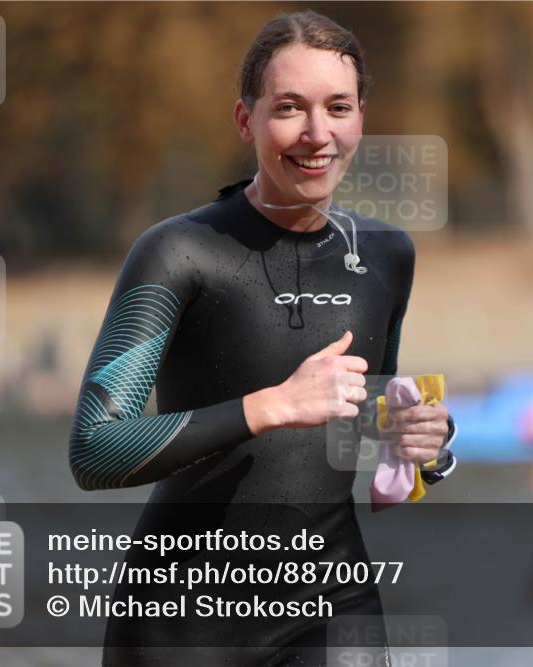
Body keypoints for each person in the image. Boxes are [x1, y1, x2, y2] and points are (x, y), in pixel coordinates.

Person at [67, 11, 455, 666]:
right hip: (183, 624)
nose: (317, 133)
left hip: (333, 604)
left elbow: (360, 419)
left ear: (361, 117)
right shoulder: (180, 251)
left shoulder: (388, 254)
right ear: (246, 120)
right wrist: (272, 405)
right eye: (290, 108)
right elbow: (94, 448)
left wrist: (422, 441)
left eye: (338, 107)